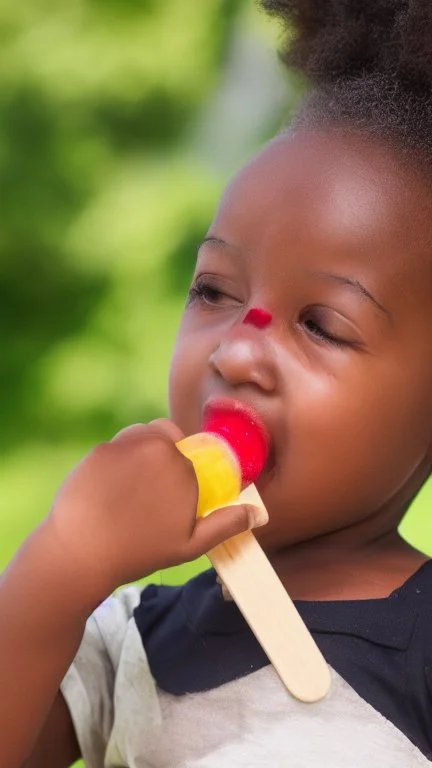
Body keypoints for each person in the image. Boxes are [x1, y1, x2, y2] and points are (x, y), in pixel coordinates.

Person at [3, 0, 432, 765]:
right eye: (213, 292)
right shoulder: (122, 640)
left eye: (323, 325)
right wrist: (62, 564)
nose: (237, 353)